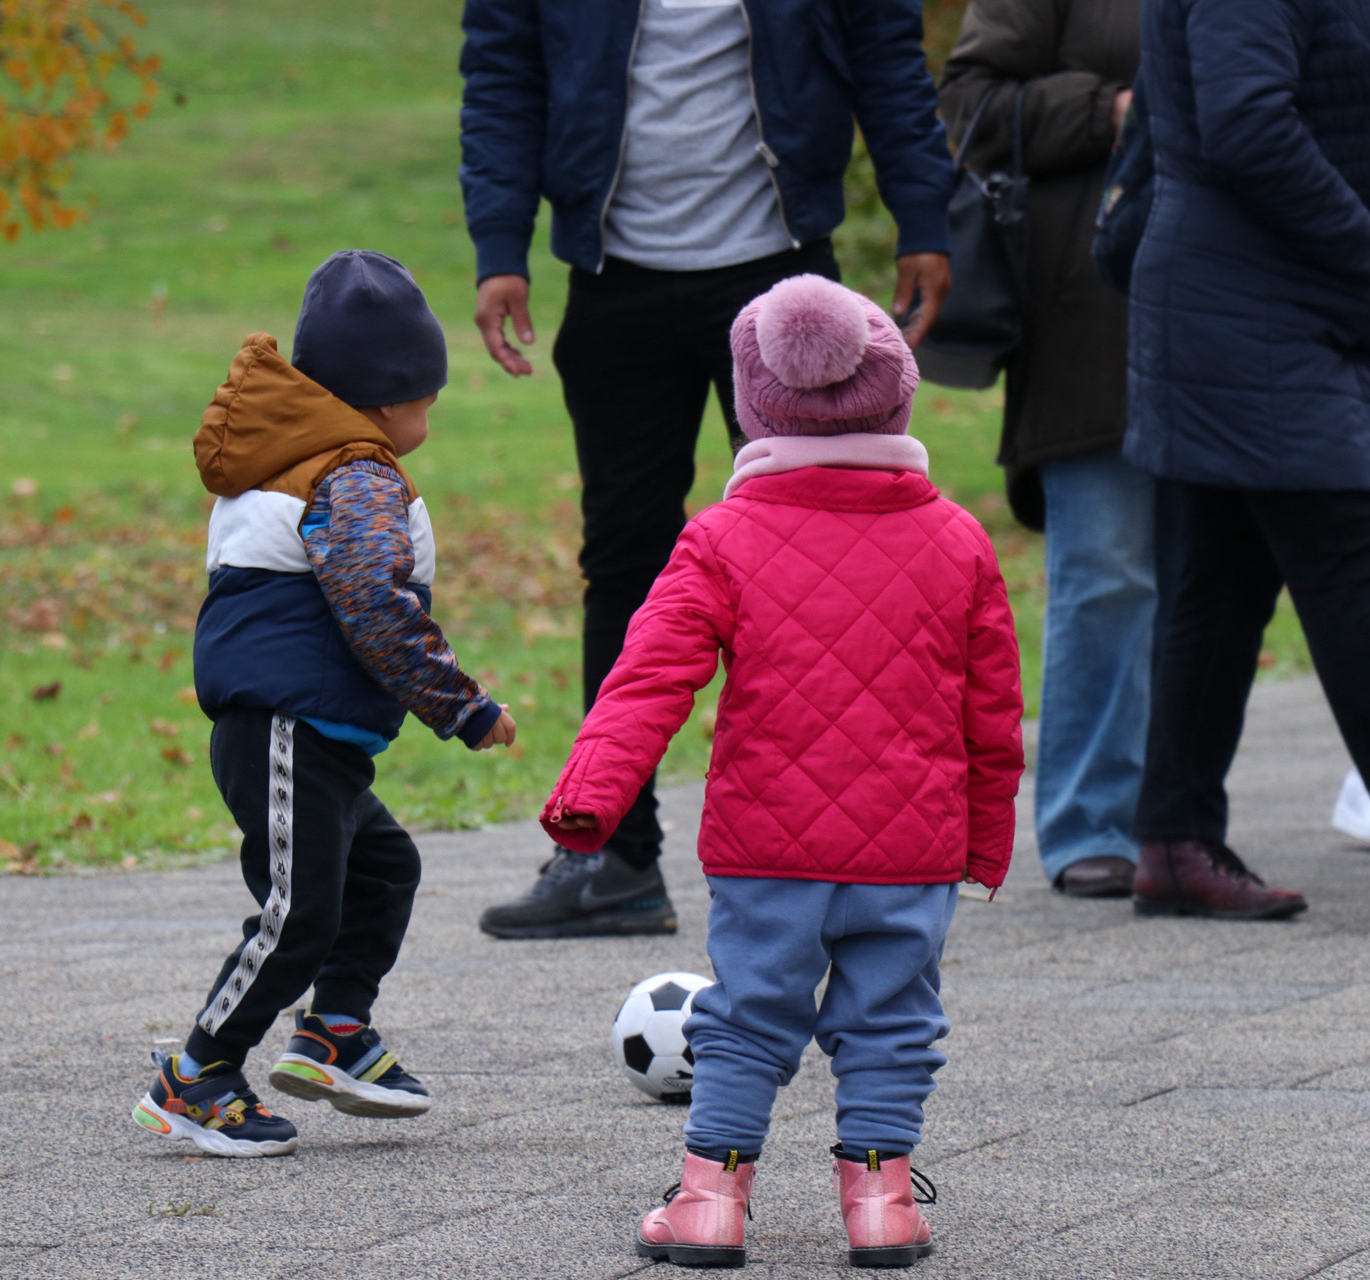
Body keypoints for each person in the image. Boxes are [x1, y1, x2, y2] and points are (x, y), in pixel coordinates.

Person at [541, 277, 1024, 1268]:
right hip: (911, 845)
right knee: (894, 1018)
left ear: (754, 404)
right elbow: (993, 711)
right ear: (897, 390)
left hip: (767, 843)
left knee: (748, 1015)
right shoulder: (958, 539)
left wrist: (592, 793)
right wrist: (985, 836)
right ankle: (883, 1203)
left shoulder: (721, 538)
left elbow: (649, 676)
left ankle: (710, 1200)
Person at [460, 0, 957, 939]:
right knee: (623, 564)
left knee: (826, 566)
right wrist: (499, 243)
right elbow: (503, 71)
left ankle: (840, 853)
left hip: (782, 285)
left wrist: (922, 214)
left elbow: (886, 48)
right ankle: (614, 857)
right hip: (614, 282)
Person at [135, 252, 516, 1158]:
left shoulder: (314, 463)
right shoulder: (353, 474)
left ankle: (335, 1031)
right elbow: (375, 606)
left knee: (383, 873)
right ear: (385, 400)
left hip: (320, 739)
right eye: (426, 398)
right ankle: (196, 1075)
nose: (430, 417)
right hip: (286, 731)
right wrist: (460, 706)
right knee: (299, 913)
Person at [1126, 0, 1370, 917]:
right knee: (1348, 572)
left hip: (1261, 302)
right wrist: (1367, 254)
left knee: (1223, 580)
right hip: (1259, 308)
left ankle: (1174, 840)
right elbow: (1248, 122)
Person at [938, 0, 1155, 900]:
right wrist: (1113, 111)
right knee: (1108, 572)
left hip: (1240, 307)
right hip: (1091, 323)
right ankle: (1093, 820)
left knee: (1218, 581)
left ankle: (1182, 822)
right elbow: (971, 105)